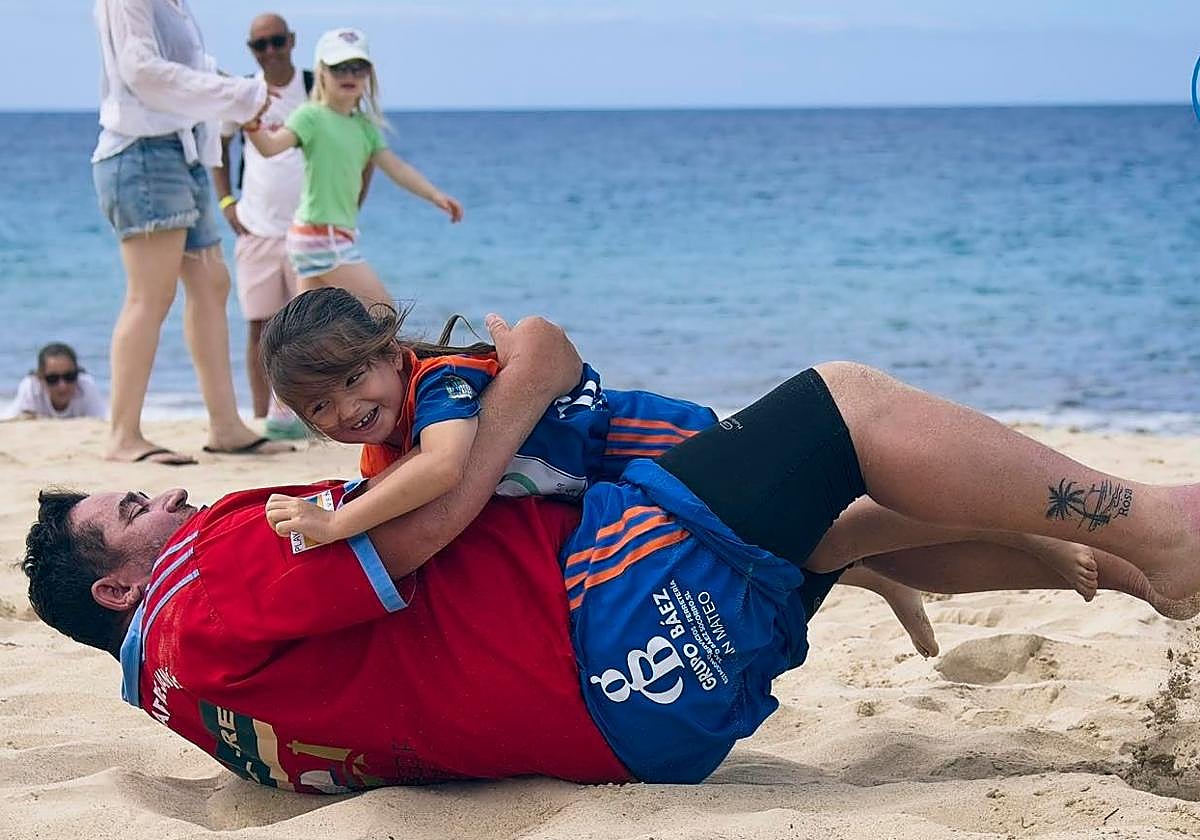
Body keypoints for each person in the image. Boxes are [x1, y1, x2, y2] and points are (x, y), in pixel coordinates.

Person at [23, 315, 1200, 792]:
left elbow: (406, 655)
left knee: (835, 529)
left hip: (631, 703)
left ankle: (1103, 558)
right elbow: (427, 523)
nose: (167, 494)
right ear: (119, 585)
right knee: (844, 407)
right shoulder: (197, 590)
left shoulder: (198, 710)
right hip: (609, 630)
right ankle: (1161, 530)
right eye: (133, 511)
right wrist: (525, 379)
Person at [257, 288, 1106, 640]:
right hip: (635, 501)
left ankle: (1019, 523)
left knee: (834, 534)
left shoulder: (436, 390)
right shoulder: (390, 434)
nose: (344, 409)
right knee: (831, 548)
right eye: (318, 408)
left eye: (351, 378)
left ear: (386, 348)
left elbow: (444, 471)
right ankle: (892, 574)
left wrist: (335, 522)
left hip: (663, 454)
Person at [92, 0, 293, 464]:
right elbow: (141, 70)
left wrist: (241, 94)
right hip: (142, 155)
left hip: (184, 154)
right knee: (150, 295)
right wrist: (239, 96)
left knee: (210, 282)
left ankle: (225, 426)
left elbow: (188, 70)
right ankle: (123, 435)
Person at [244, 27, 463, 306]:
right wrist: (251, 121)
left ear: (368, 74)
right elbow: (270, 147)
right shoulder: (311, 116)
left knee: (309, 333)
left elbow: (397, 168)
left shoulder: (364, 127)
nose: (349, 75)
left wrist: (435, 196)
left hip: (325, 238)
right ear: (321, 71)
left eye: (357, 68)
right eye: (339, 68)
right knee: (383, 312)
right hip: (321, 238)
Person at [210, 13, 312, 437]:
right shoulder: (245, 94)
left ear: (291, 41)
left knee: (309, 326)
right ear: (251, 50)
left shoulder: (314, 88)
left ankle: (308, 416)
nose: (270, 51)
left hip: (308, 228)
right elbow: (219, 145)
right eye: (260, 45)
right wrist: (226, 201)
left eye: (276, 42)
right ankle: (260, 417)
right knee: (259, 327)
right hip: (255, 227)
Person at [5, 343, 107, 420]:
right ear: (40, 378)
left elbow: (101, 419)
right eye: (52, 379)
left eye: (69, 376)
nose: (62, 385)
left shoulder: (85, 385)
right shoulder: (31, 387)